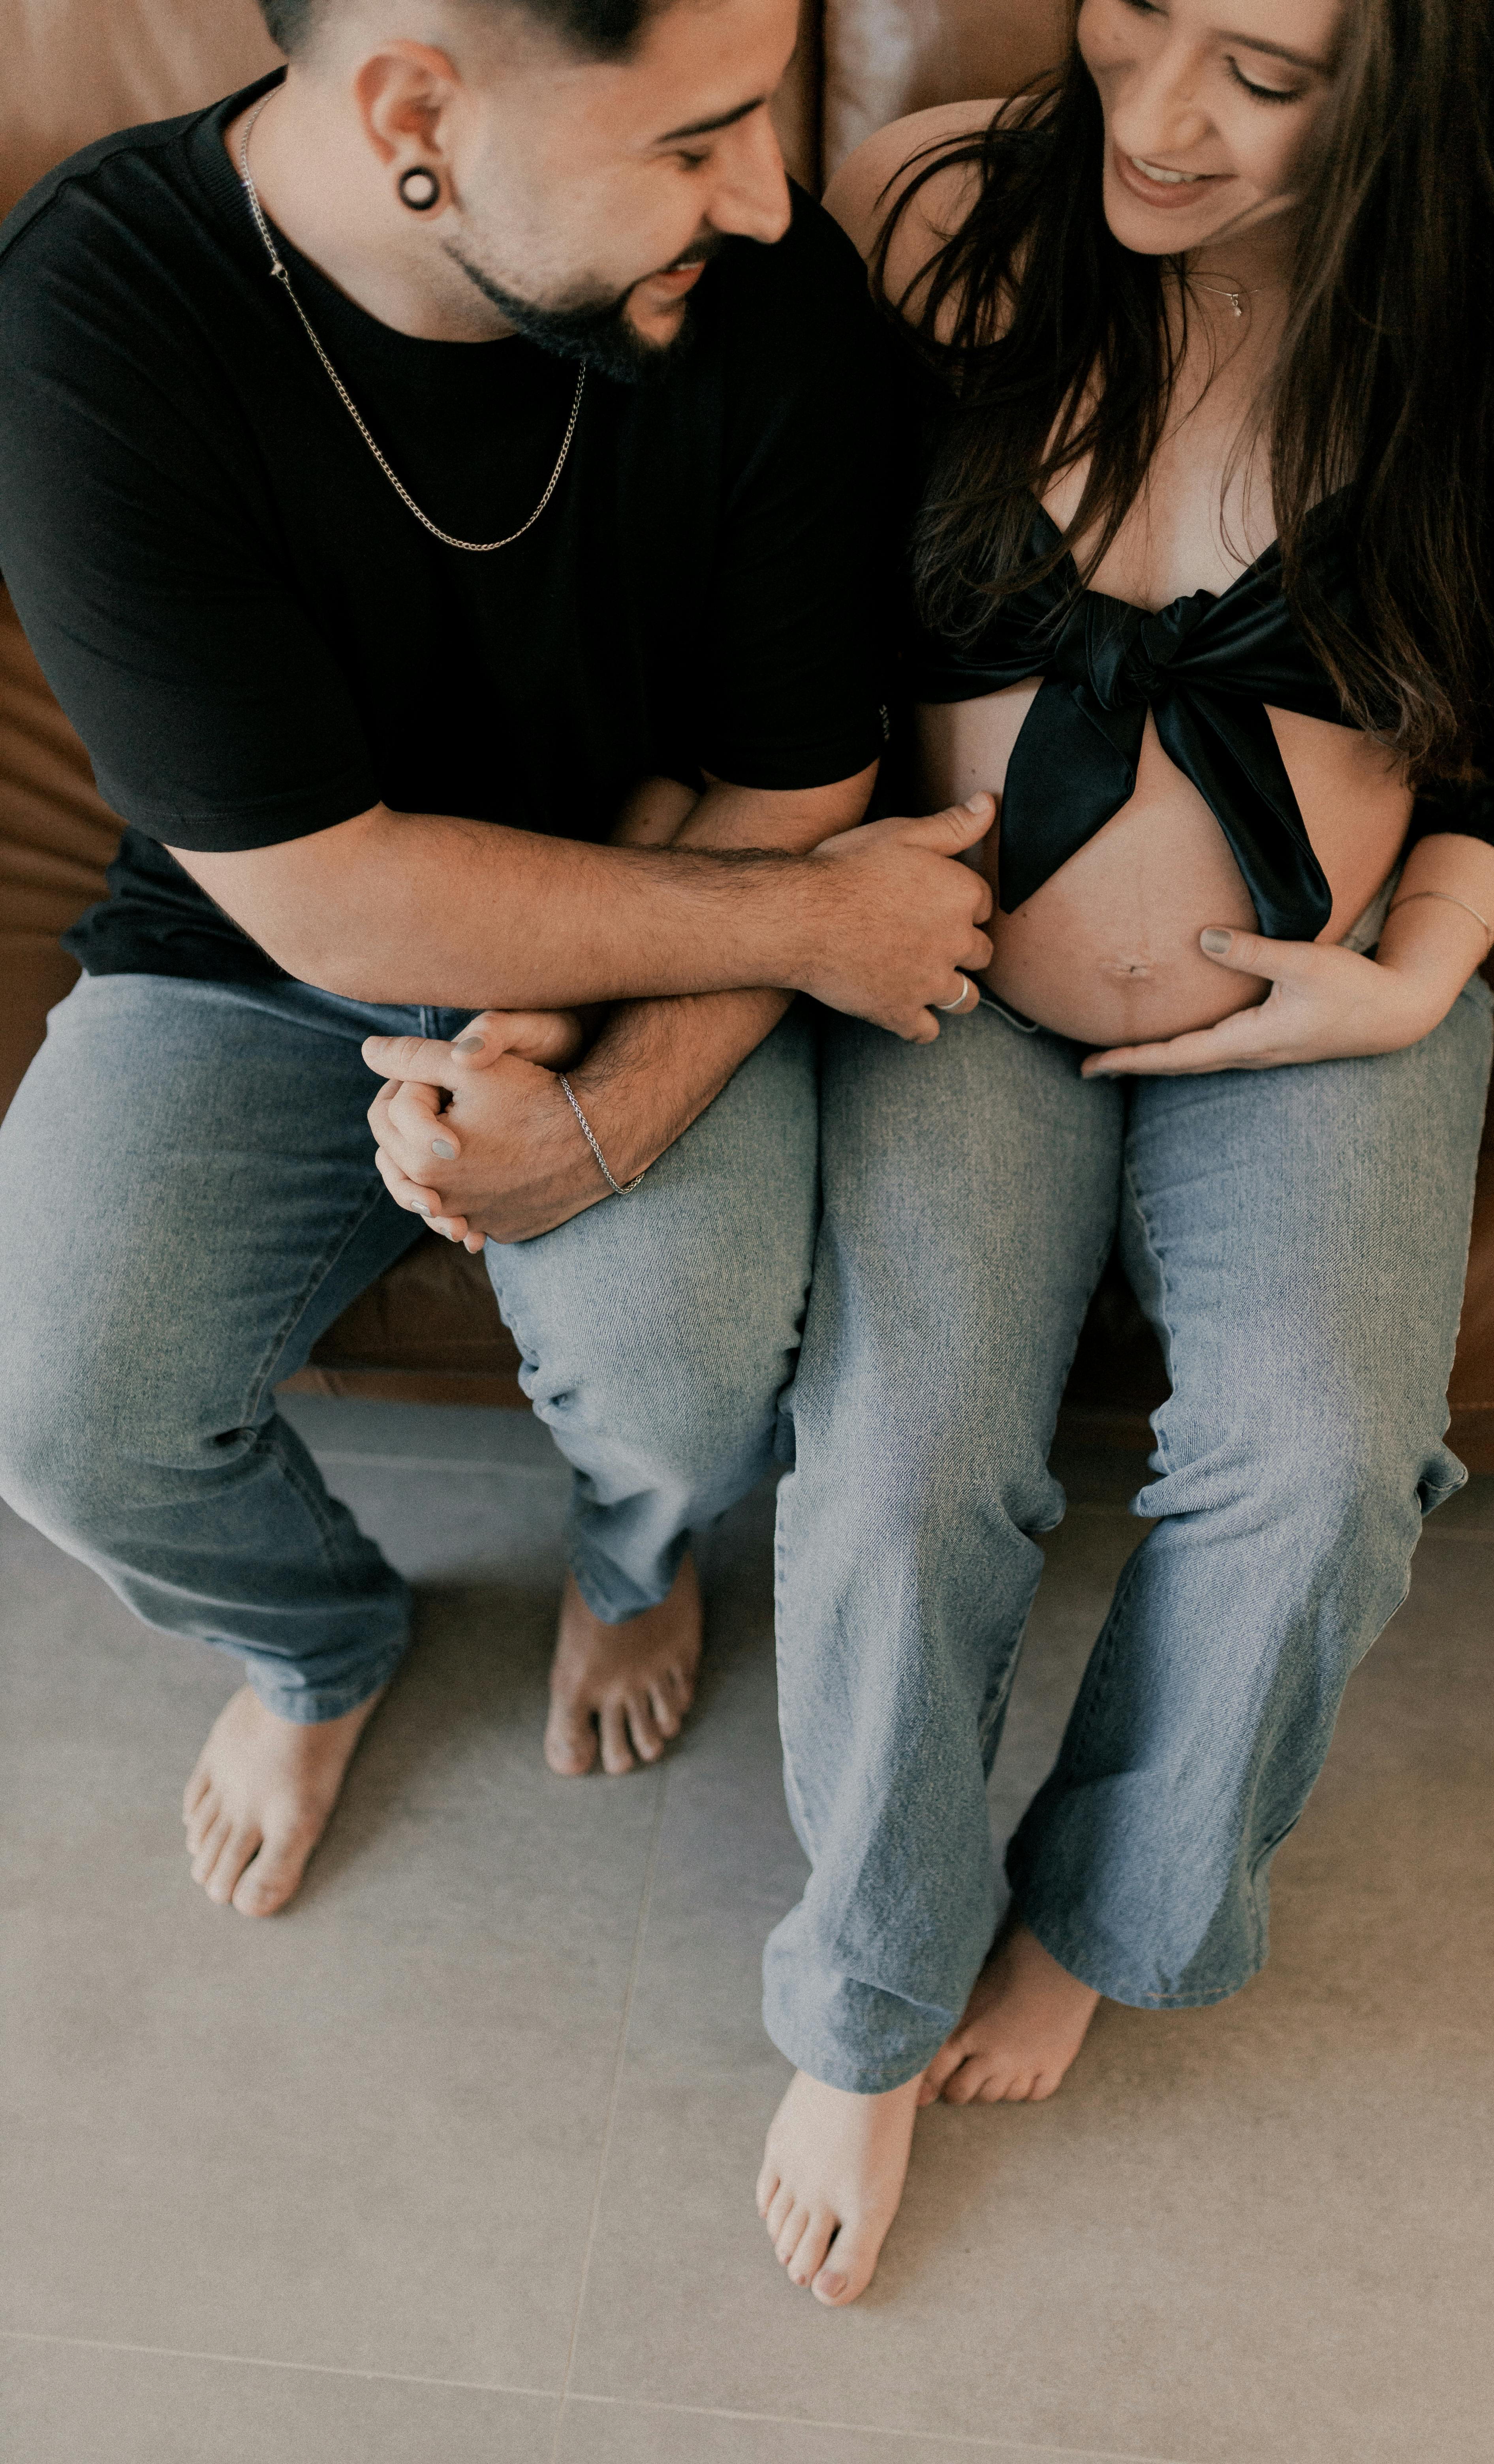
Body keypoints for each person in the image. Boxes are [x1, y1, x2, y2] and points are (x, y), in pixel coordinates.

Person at [750, 0, 1494, 2305]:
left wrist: (1422, 968)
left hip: (1322, 995)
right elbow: (756, 634)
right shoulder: (937, 217)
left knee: (1322, 1461)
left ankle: (1103, 1908)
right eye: (1136, 11)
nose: (1157, 117)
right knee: (897, 1467)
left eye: (1269, 73)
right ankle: (865, 1992)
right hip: (959, 986)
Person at [0, 0, 996, 1919]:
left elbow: (792, 776)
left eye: (767, 114)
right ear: (413, 115)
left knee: (687, 1372)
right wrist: (811, 929)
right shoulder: (93, 311)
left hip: (666, 879)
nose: (771, 196)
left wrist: (585, 1100)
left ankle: (629, 1563)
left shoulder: (763, 296)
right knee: (55, 1410)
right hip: (260, 945)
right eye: (692, 138)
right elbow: (324, 896)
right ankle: (320, 1647)